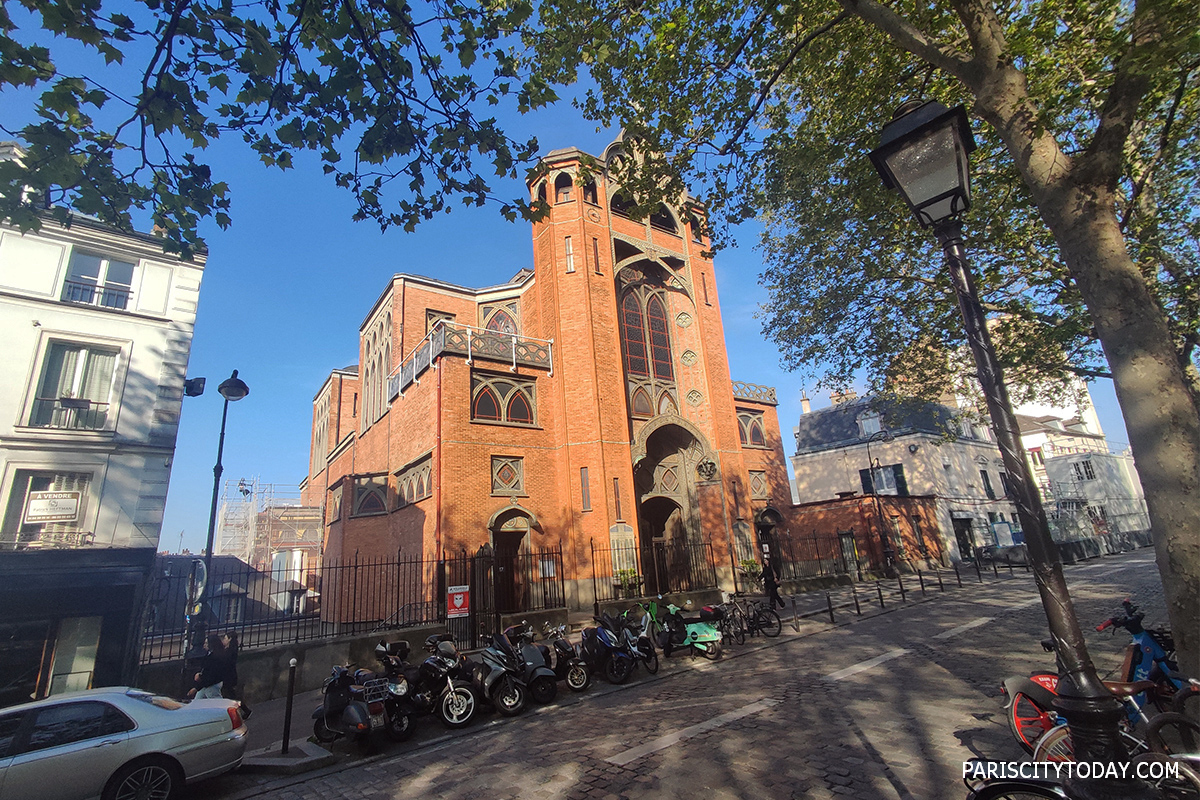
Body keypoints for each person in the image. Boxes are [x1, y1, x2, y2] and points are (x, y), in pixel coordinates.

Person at [187, 633, 229, 700]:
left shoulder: (214, 657)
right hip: (207, 684)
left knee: (215, 702)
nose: (204, 645)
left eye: (206, 643)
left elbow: (210, 674)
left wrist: (199, 679)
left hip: (211, 685)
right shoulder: (211, 655)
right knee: (198, 701)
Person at [220, 632, 252, 717]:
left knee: (230, 696)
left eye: (225, 638)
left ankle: (242, 711)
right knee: (231, 695)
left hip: (228, 676)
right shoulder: (231, 650)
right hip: (230, 675)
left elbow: (226, 663)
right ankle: (244, 710)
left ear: (229, 639)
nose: (224, 640)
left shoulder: (229, 651)